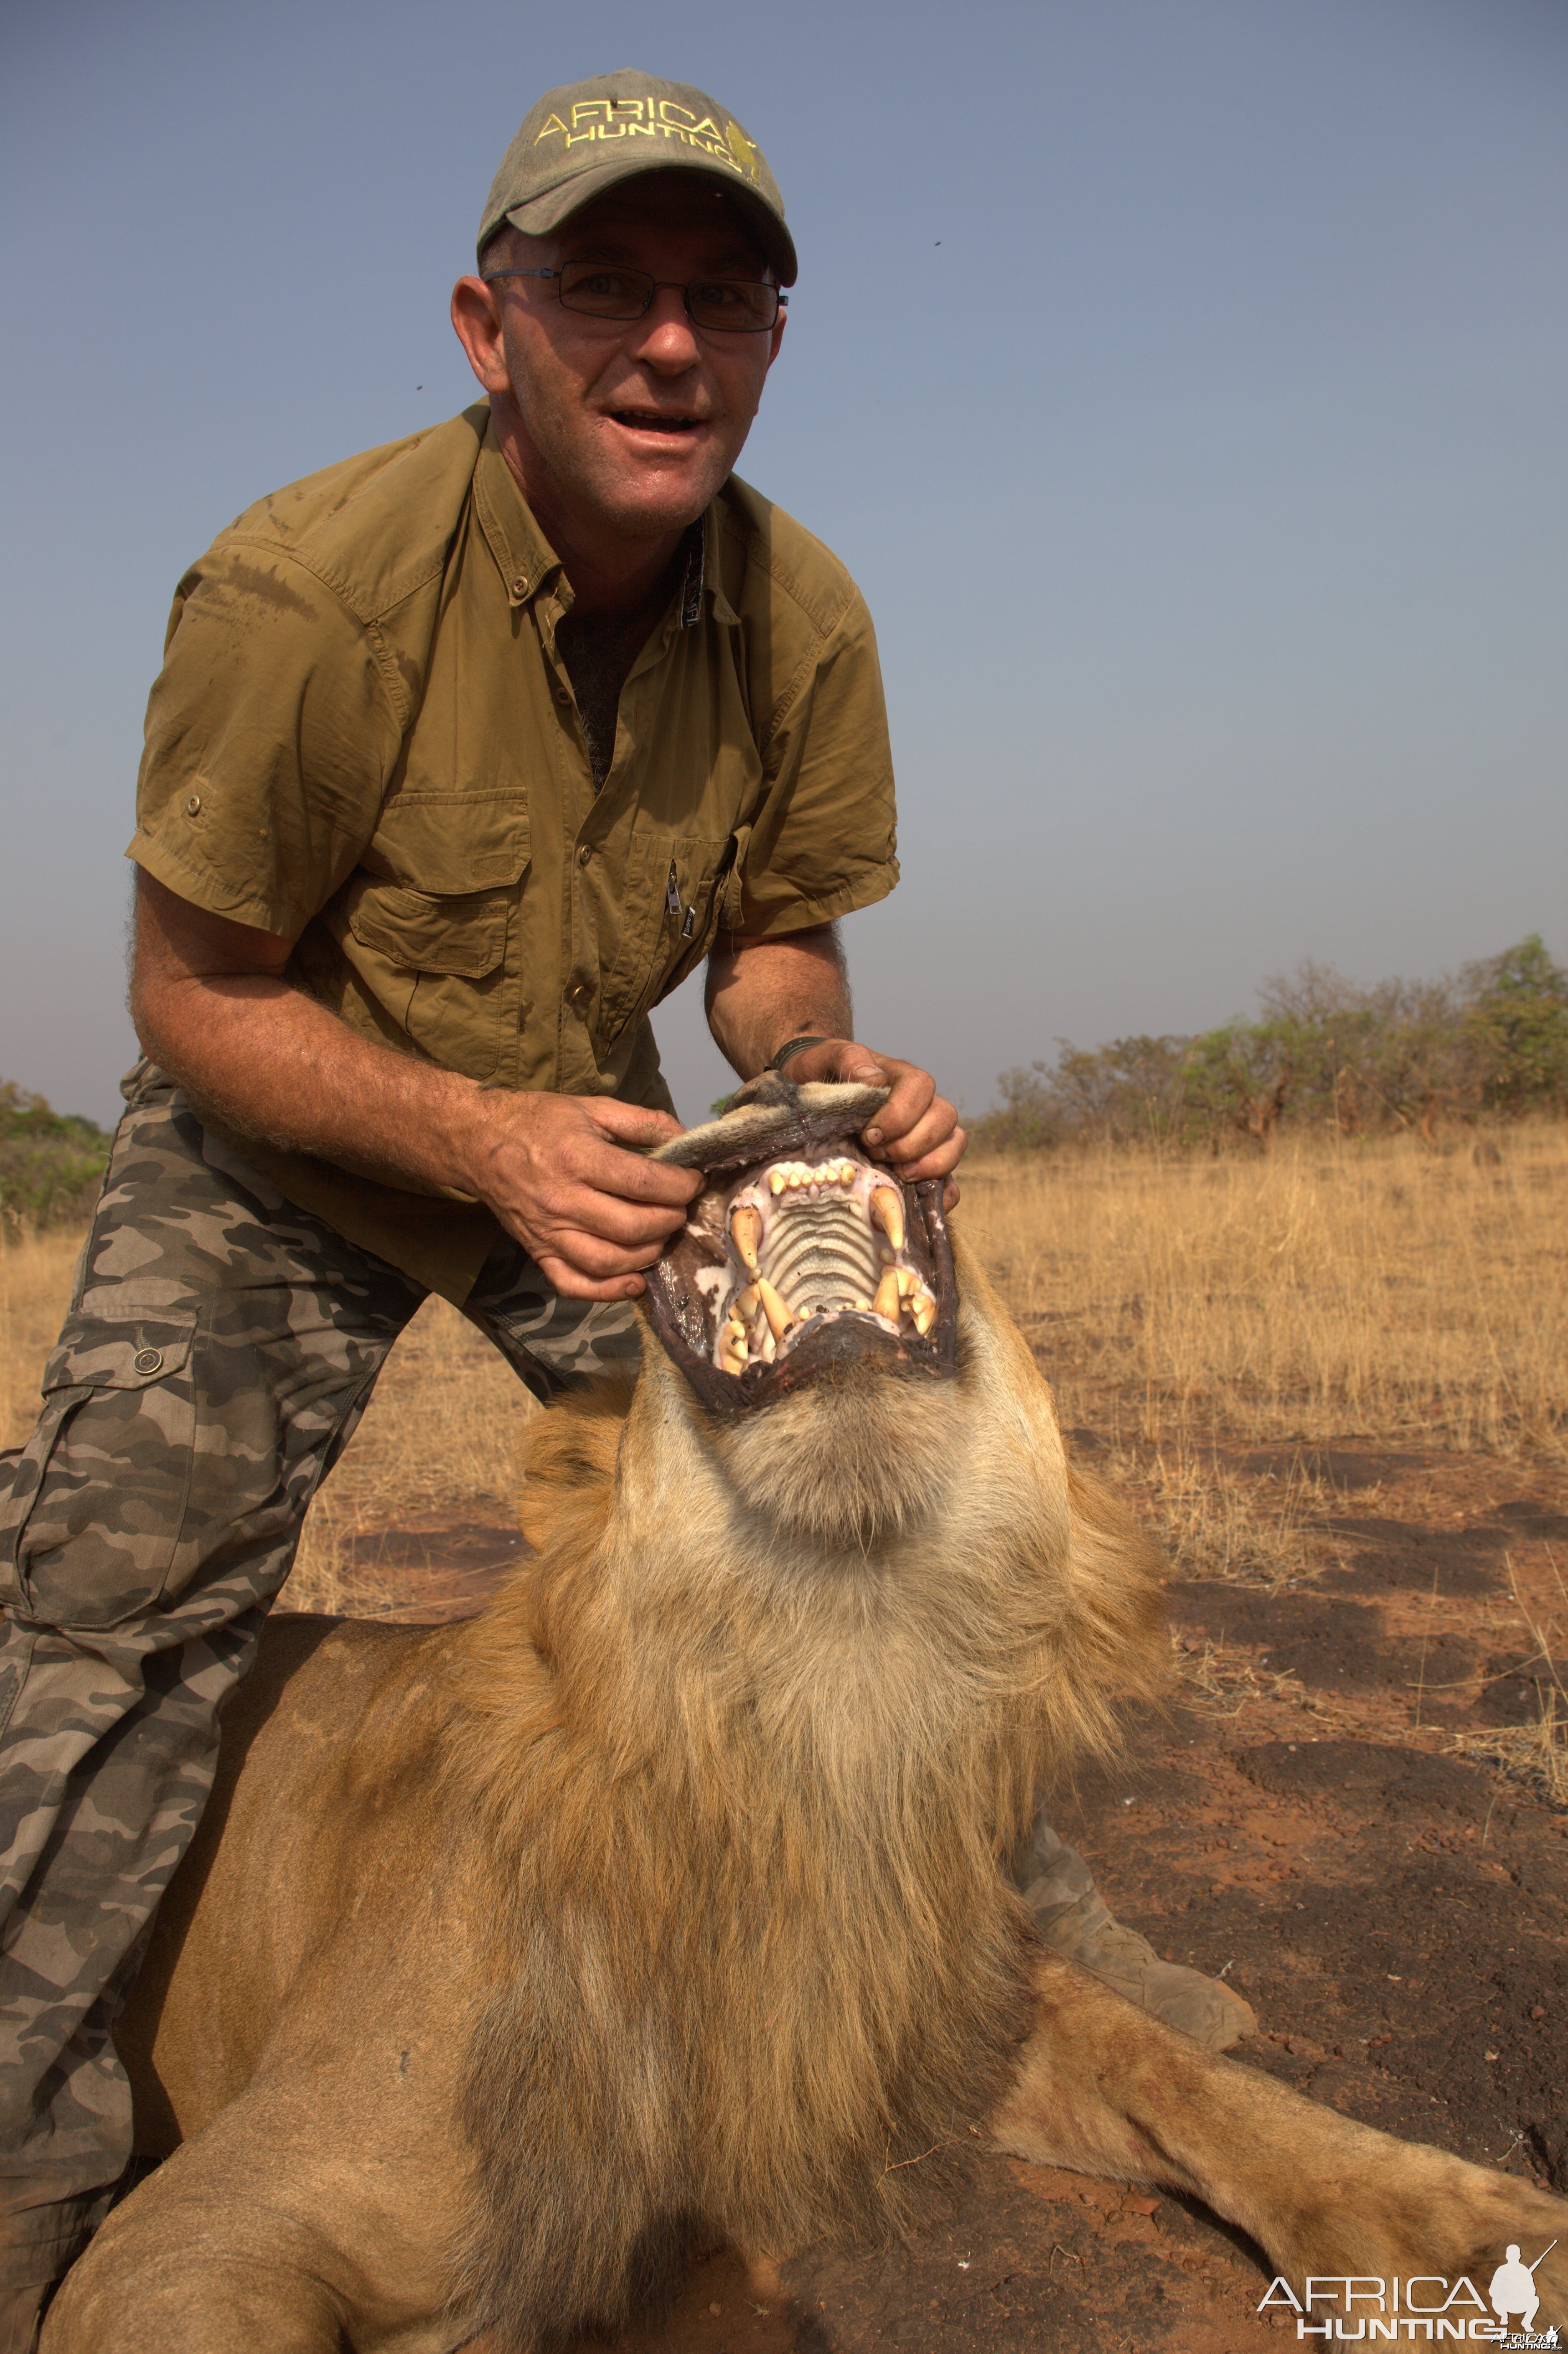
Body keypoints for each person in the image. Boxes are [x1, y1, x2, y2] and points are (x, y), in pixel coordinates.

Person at [0, 69, 1249, 2346]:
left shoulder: (809, 615)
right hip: (290, 1130)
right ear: (493, 328)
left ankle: (1021, 1955)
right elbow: (192, 992)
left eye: (724, 294)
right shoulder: (301, 593)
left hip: (587, 1136)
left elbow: (776, 948)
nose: (671, 345)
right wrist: (466, 1140)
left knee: (859, 1495)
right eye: (609, 291)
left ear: (773, 335)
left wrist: (816, 1076)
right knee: (106, 1614)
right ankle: (31, 2157)